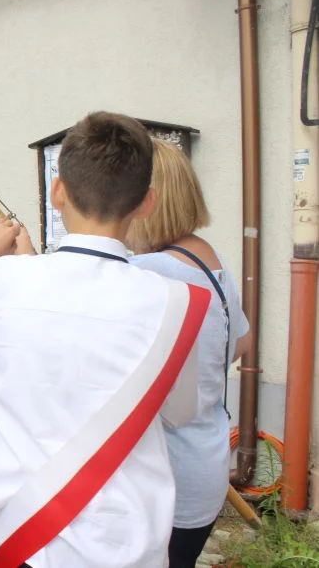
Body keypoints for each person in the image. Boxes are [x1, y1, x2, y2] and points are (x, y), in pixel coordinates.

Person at [0, 112, 207, 568]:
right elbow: (180, 412)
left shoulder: (6, 282)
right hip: (127, 544)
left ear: (57, 190)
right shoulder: (179, 301)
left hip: (21, 541)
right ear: (147, 203)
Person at [127, 140, 250, 567]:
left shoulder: (149, 271)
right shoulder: (208, 258)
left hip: (162, 478)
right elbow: (242, 341)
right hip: (204, 466)